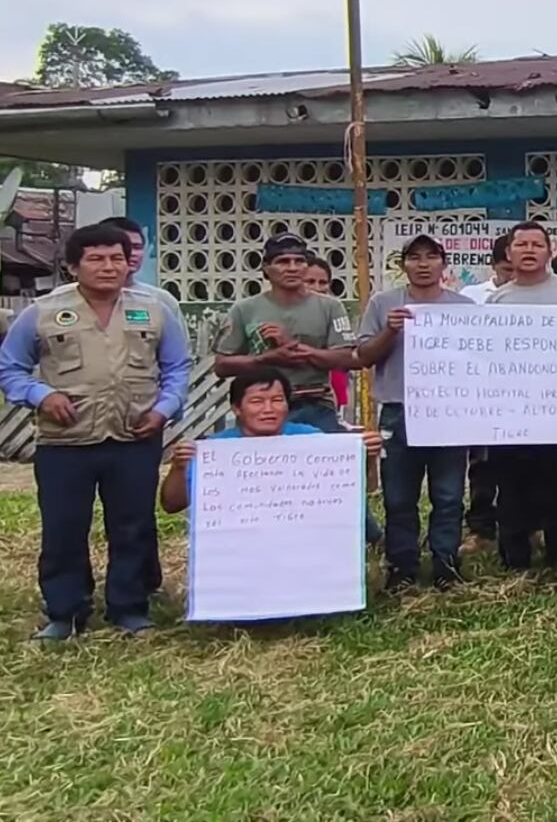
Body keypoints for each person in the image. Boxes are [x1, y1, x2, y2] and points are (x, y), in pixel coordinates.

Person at [0, 224, 190, 639]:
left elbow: (177, 368)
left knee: (133, 524)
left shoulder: (154, 309)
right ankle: (65, 612)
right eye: (97, 259)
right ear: (73, 266)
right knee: (64, 526)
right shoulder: (44, 312)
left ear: (129, 263)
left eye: (117, 258)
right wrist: (40, 394)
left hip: (135, 437)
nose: (109, 267)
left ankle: (130, 609)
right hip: (65, 442)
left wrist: (164, 409)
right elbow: (9, 368)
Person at [354, 234, 474, 592]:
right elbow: (364, 356)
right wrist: (390, 331)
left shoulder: (463, 308)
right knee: (399, 496)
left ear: (443, 263)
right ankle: (402, 567)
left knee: (450, 495)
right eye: (414, 257)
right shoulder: (384, 304)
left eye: (431, 257)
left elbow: (479, 363)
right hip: (398, 412)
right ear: (403, 264)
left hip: (449, 413)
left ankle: (445, 565)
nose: (423, 264)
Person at [486, 221, 557, 572]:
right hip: (511, 410)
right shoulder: (498, 299)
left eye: (537, 244)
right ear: (509, 253)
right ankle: (515, 559)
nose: (529, 250)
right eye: (522, 244)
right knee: (512, 485)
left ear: (549, 251)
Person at [162, 368, 384, 516]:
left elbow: (360, 490)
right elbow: (172, 505)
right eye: (257, 401)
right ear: (237, 408)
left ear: (288, 405)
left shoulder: (311, 440)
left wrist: (368, 457)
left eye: (277, 400)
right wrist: (179, 468)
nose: (268, 410)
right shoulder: (215, 451)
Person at [212, 233, 360, 432]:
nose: (292, 268)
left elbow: (345, 359)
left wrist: (292, 345)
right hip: (262, 407)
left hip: (314, 402)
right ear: (266, 268)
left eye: (299, 261)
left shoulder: (330, 306)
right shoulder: (244, 309)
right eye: (282, 261)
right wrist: (266, 359)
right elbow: (222, 366)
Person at [462, 232, 513, 543]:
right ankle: (480, 526)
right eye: (507, 269)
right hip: (482, 393)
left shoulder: (538, 295)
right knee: (481, 463)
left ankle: (520, 522)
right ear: (495, 266)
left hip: (525, 395)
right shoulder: (471, 296)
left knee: (519, 462)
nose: (512, 275)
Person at [51, 215, 184, 323]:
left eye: (137, 247)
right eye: (124, 247)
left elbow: (178, 352)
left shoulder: (161, 301)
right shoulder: (58, 300)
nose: (131, 253)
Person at [304, 255, 352, 417]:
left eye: (323, 282)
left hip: (329, 393)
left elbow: (345, 356)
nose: (317, 288)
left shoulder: (334, 310)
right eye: (309, 281)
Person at [462, 234, 512, 302]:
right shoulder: (470, 295)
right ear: (493, 264)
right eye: (508, 270)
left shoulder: (530, 296)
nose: (514, 275)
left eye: (520, 270)